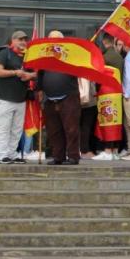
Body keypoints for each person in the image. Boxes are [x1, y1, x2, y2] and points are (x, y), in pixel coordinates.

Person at [38, 31, 81, 166]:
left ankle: (73, 156)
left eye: (56, 39)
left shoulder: (70, 56)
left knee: (71, 129)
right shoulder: (44, 57)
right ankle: (58, 156)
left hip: (69, 96)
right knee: (54, 130)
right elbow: (40, 75)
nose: (53, 42)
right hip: (49, 98)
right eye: (51, 39)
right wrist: (38, 90)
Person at [0, 31, 32, 164]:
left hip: (20, 98)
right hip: (5, 97)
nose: (23, 42)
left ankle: (12, 154)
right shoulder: (5, 53)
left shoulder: (27, 56)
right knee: (3, 127)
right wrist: (15, 72)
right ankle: (2, 154)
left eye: (25, 39)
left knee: (17, 129)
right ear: (13, 41)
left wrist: (28, 76)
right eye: (20, 39)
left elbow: (34, 73)